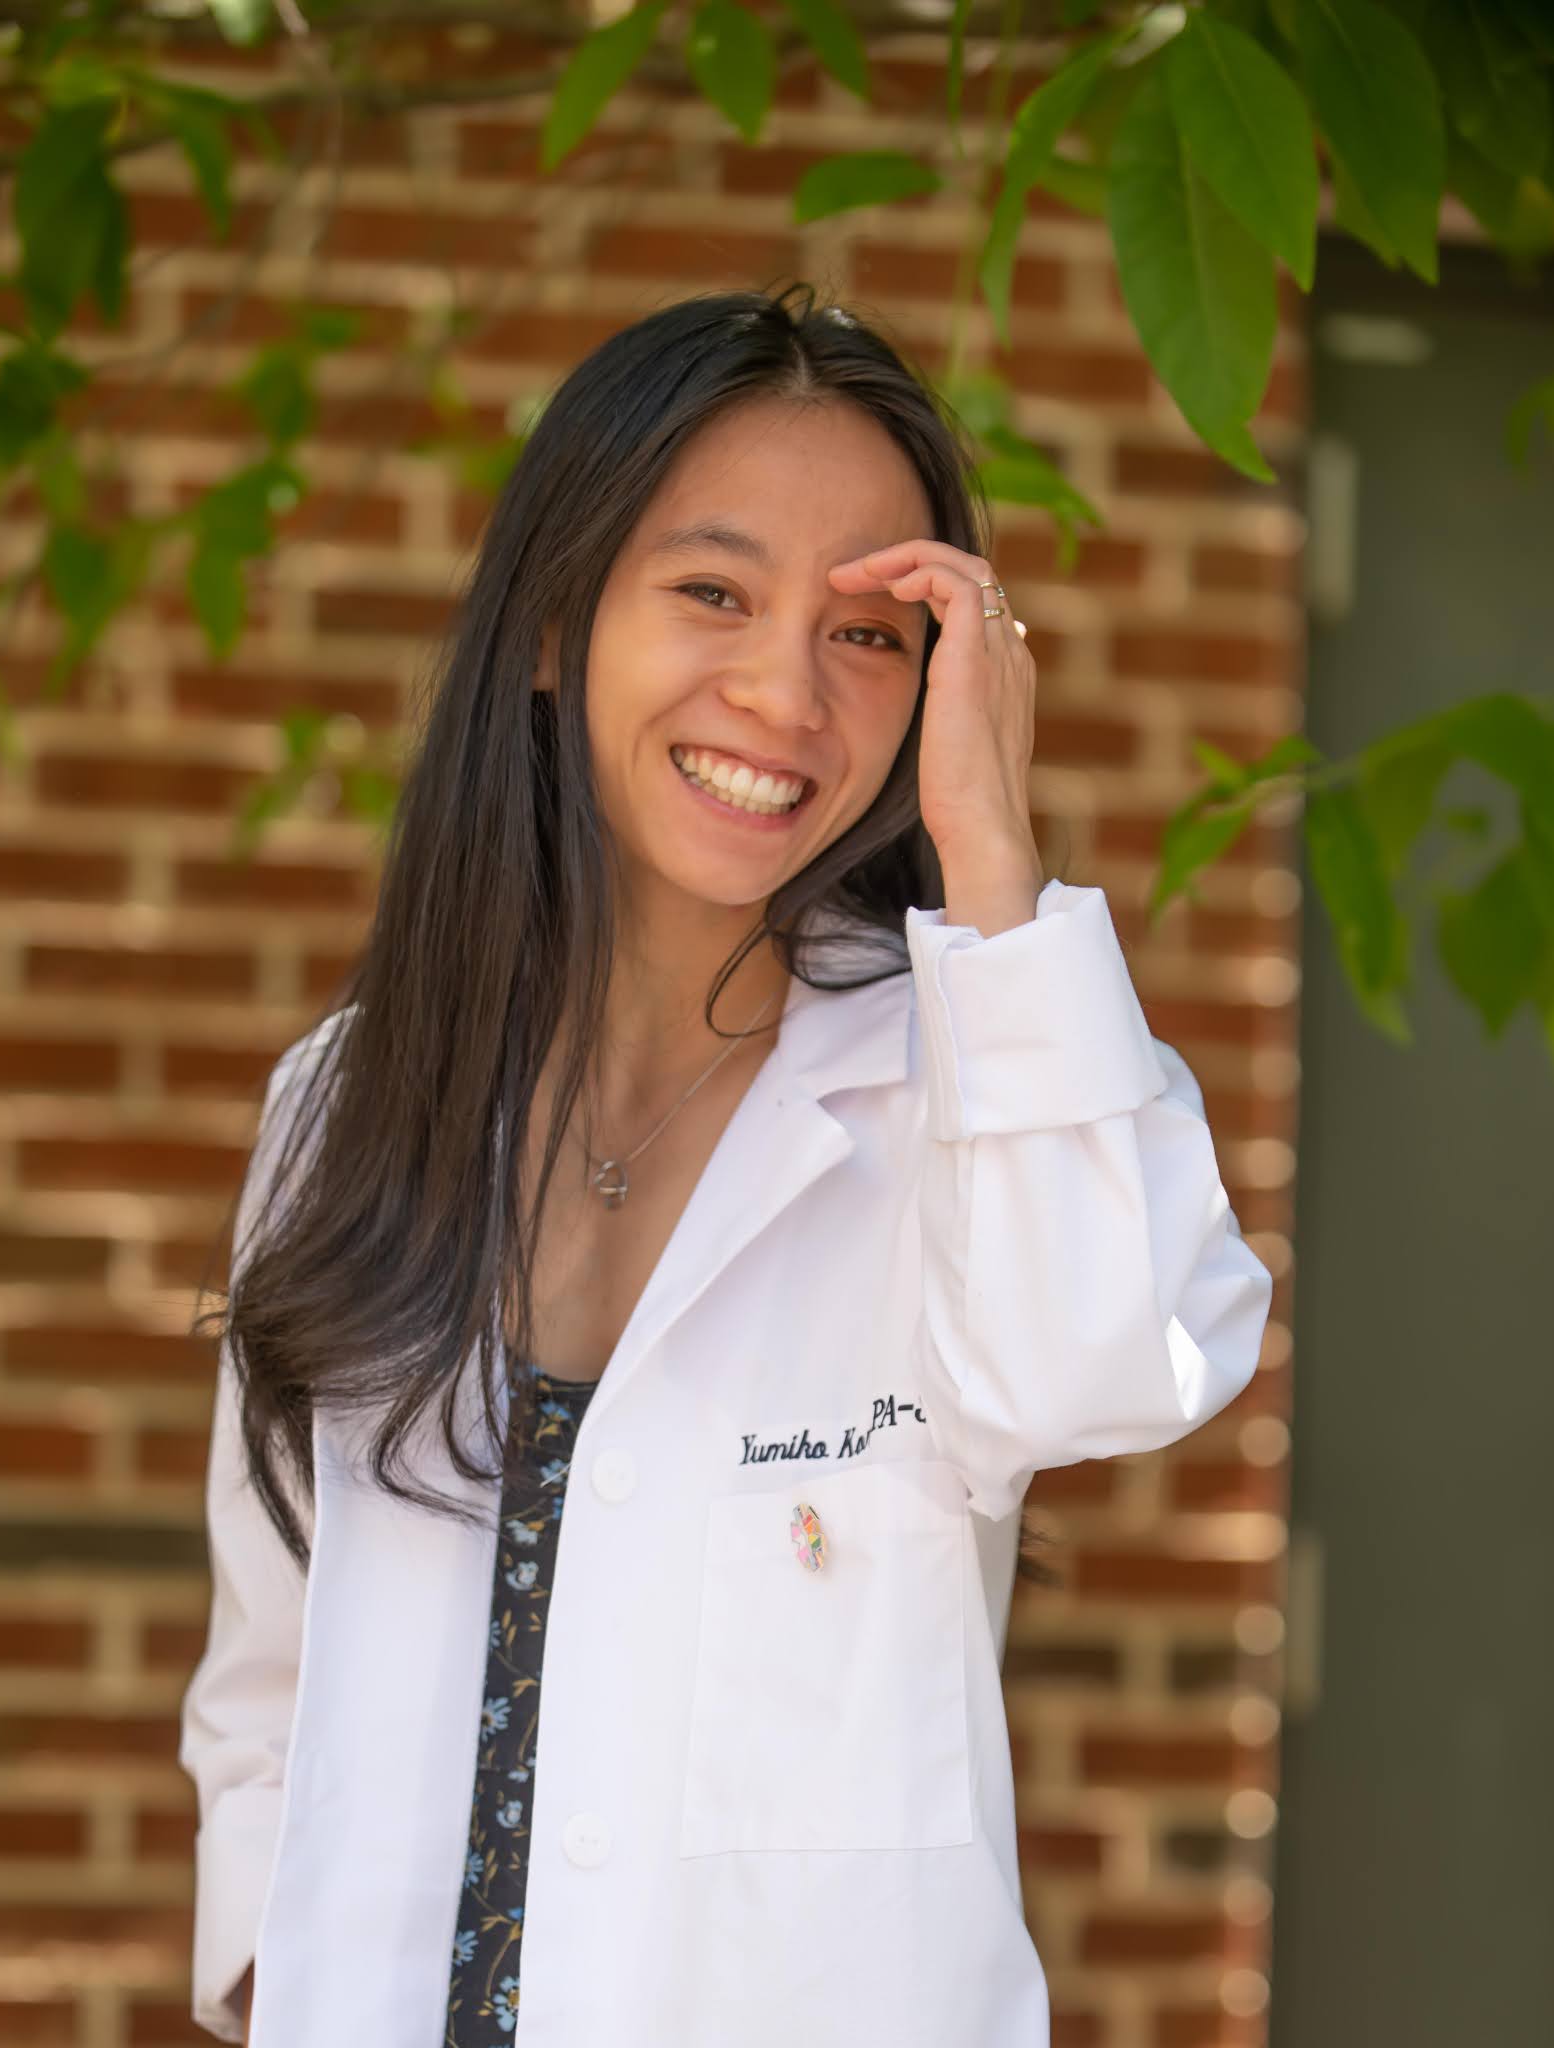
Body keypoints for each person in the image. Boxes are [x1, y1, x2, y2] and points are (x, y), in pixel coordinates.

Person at [179, 281, 1273, 2048]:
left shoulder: (980, 1081)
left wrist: (992, 849)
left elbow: (1116, 1361)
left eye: (868, 638)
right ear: (554, 627)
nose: (783, 693)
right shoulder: (350, 1101)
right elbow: (270, 1665)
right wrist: (262, 1976)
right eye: (712, 592)